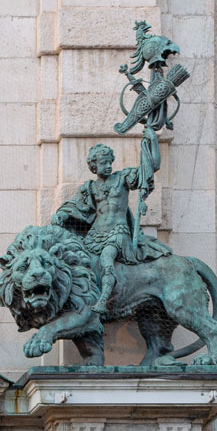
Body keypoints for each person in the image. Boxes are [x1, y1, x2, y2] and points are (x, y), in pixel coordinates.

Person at [51, 134, 172, 316]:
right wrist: (60, 215)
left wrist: (153, 141)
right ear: (93, 166)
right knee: (80, 261)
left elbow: (151, 167)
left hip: (118, 231)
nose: (108, 166)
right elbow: (74, 206)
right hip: (96, 233)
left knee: (107, 258)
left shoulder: (122, 178)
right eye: (103, 163)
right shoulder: (90, 187)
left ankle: (103, 301)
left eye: (109, 162)